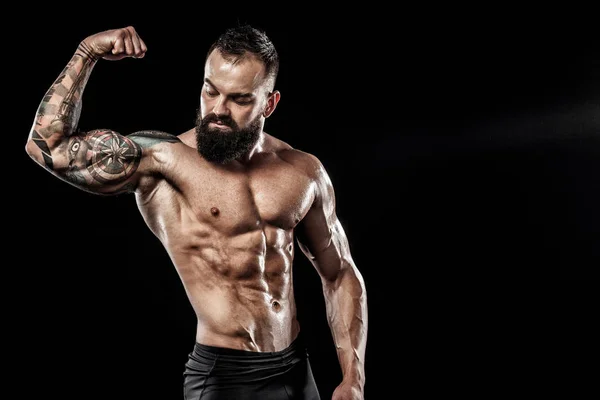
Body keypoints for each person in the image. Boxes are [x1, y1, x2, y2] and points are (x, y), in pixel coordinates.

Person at [25, 25, 368, 400]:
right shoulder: (161, 161)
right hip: (223, 378)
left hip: (295, 370)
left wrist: (353, 377)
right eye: (210, 90)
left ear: (269, 104)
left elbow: (340, 273)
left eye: (239, 99)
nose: (218, 110)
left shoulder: (303, 172)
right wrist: (86, 52)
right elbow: (48, 146)